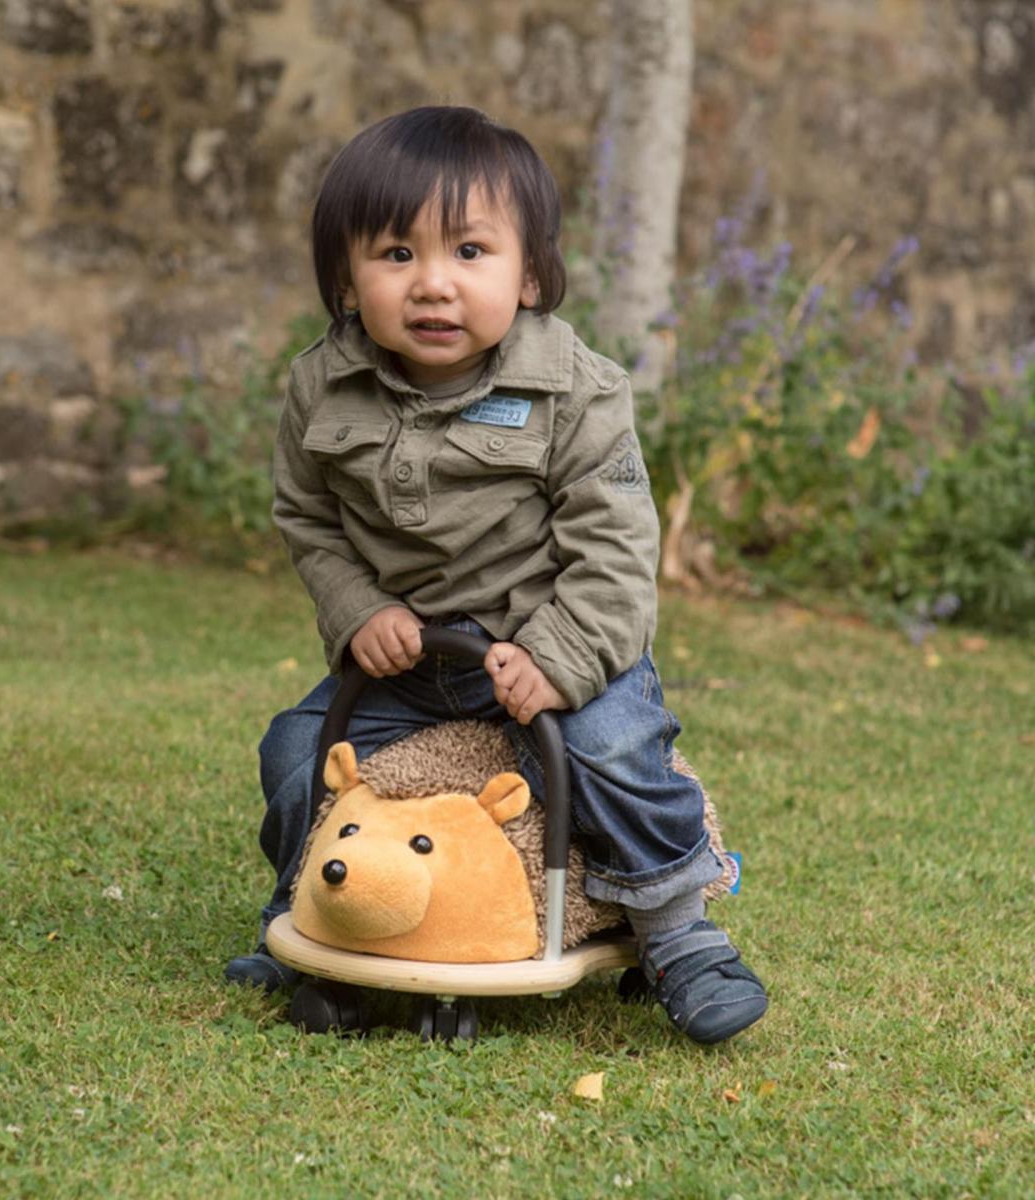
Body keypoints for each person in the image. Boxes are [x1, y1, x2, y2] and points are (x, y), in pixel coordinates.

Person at [225, 105, 767, 1044]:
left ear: (531, 274)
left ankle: (677, 926)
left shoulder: (579, 392)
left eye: (469, 251)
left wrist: (557, 656)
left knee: (608, 753)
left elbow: (615, 550)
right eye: (396, 255)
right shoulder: (322, 386)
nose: (433, 284)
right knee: (295, 750)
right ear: (346, 280)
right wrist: (360, 610)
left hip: (557, 646)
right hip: (408, 664)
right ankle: (309, 910)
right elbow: (308, 518)